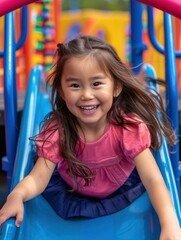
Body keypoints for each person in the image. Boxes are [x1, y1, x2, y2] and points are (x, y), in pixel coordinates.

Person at [0, 35, 180, 239]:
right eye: (75, 86)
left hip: (121, 188)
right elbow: (37, 178)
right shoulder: (59, 131)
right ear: (61, 90)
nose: (86, 94)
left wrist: (169, 222)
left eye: (96, 84)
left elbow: (152, 178)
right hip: (72, 191)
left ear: (116, 87)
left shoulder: (128, 128)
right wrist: (16, 194)